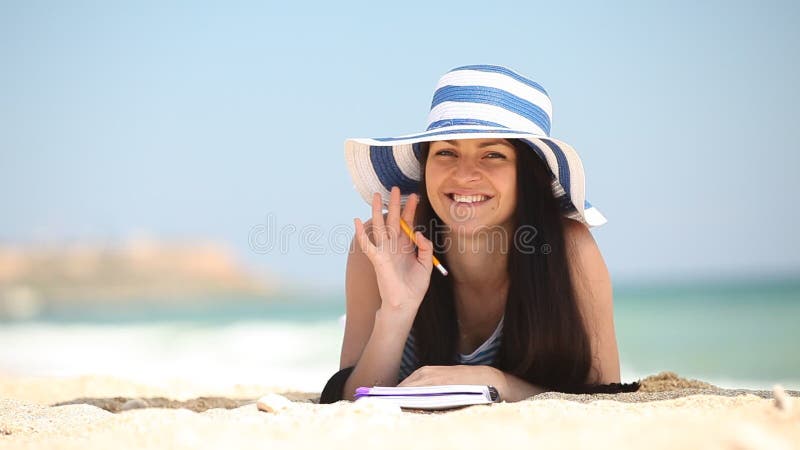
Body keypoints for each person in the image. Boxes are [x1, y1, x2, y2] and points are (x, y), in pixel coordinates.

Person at [321, 65, 638, 403]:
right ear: (426, 165)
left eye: (493, 154)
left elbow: (607, 396)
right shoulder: (383, 245)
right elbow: (352, 401)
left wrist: (492, 381)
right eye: (446, 152)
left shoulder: (569, 248)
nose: (465, 174)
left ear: (527, 174)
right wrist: (397, 311)